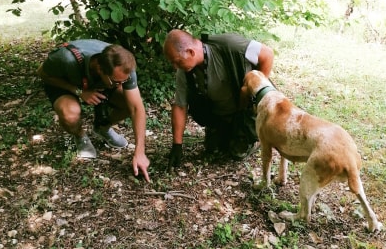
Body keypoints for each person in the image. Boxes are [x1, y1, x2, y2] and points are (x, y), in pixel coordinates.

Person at [37, 39, 150, 182]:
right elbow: (42, 73)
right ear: (99, 68)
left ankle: (102, 128)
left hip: (95, 84)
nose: (121, 84)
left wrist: (140, 151)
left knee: (129, 103)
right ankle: (79, 135)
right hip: (67, 83)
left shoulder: (123, 68)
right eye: (117, 82)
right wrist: (79, 91)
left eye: (124, 81)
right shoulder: (65, 59)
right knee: (70, 114)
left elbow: (136, 108)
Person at [163, 29, 274, 169]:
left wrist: (256, 87)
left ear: (190, 52)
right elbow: (180, 105)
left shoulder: (230, 45)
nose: (175, 66)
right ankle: (225, 129)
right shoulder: (184, 71)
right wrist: (177, 145)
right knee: (213, 149)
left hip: (245, 109)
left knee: (237, 153)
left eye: (177, 61)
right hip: (221, 113)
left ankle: (255, 137)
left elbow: (267, 54)